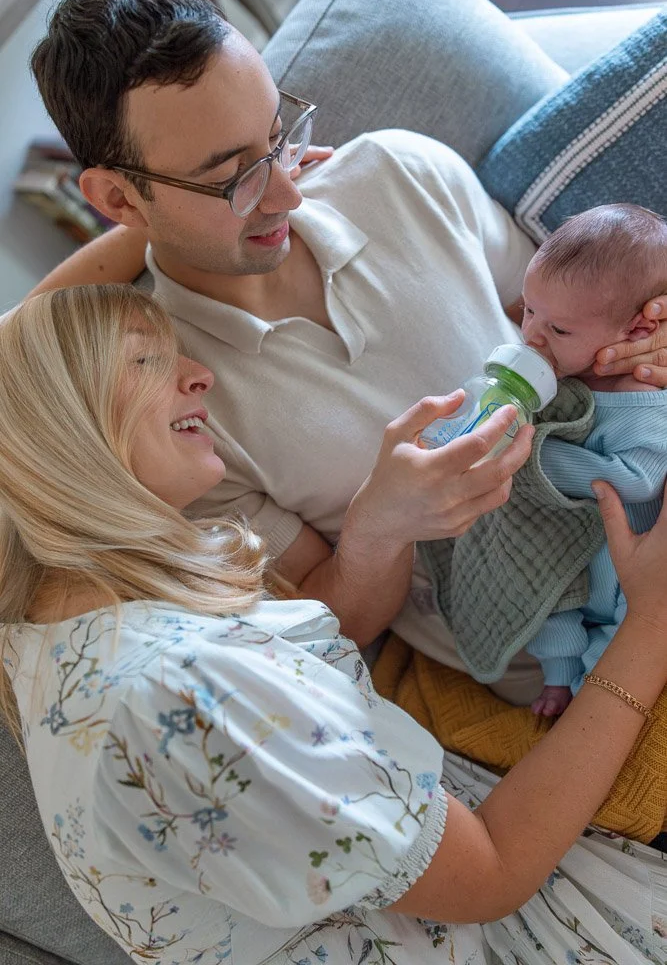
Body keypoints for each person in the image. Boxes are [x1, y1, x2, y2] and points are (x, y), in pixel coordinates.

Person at [28, 0, 667, 708]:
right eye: (231, 178)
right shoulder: (178, 408)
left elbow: (576, 316)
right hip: (575, 676)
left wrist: (640, 351)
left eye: (277, 136)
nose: (286, 194)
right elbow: (335, 630)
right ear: (116, 200)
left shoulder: (399, 173)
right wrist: (376, 530)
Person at [2, 283, 667, 965]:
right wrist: (649, 625)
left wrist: (378, 526)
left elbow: (299, 714)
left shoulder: (60, 636)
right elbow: (490, 874)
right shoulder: (172, 693)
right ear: (56, 431)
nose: (200, 374)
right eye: (145, 360)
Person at [521, 204, 667, 716]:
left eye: (558, 330)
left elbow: (641, 480)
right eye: (526, 310)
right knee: (541, 585)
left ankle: (588, 704)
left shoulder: (642, 399)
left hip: (638, 578)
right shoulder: (566, 377)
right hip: (576, 556)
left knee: (618, 647)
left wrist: (540, 457)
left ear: (633, 329)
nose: (531, 336)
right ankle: (559, 680)